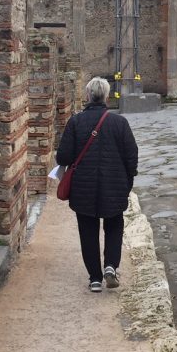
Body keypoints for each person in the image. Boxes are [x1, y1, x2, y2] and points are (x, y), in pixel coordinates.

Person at [56, 77, 138, 292]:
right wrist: (127, 182)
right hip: (115, 186)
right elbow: (132, 157)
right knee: (114, 226)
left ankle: (94, 278)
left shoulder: (75, 122)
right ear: (107, 97)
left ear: (87, 96)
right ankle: (111, 265)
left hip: (83, 188)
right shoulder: (120, 123)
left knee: (88, 231)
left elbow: (63, 156)